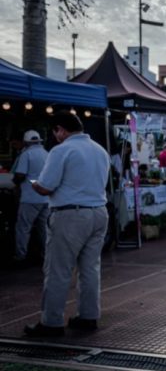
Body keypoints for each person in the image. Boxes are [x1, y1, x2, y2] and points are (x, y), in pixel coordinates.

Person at [24, 112, 110, 337]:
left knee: (58, 270)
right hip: (99, 213)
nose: (56, 136)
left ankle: (51, 322)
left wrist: (33, 182)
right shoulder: (100, 150)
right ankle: (88, 316)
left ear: (61, 130)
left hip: (70, 215)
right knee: (90, 269)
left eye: (55, 132)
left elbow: (45, 186)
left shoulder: (61, 150)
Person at [12, 130, 49, 262]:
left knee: (23, 228)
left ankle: (20, 256)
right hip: (45, 198)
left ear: (26, 142)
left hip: (29, 198)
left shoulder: (26, 154)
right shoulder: (47, 154)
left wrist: (15, 181)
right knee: (44, 228)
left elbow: (20, 174)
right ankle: (46, 255)